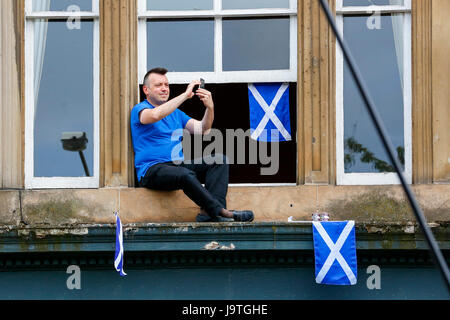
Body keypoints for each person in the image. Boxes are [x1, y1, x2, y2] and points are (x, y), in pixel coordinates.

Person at [130, 67, 254, 222]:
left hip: (176, 166)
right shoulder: (140, 109)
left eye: (166, 85)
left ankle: (209, 214)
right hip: (151, 170)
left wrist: (210, 107)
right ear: (146, 90)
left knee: (218, 160)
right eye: (159, 85)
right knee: (184, 174)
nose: (164, 88)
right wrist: (185, 95)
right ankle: (221, 212)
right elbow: (155, 115)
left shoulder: (176, 113)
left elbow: (203, 129)